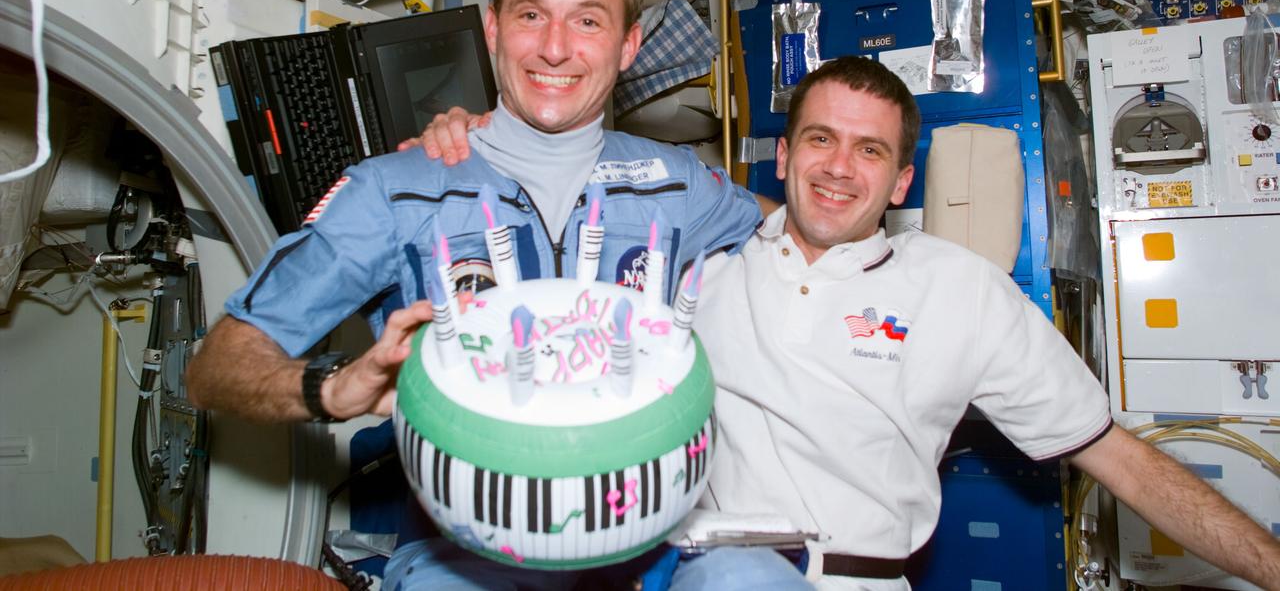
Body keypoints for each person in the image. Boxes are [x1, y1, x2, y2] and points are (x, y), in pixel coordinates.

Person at [420, 56, 1280, 590]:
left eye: (870, 151)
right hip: (697, 573)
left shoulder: (962, 291)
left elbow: (1118, 456)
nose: (839, 168)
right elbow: (542, 254)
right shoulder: (701, 265)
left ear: (902, 181)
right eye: (820, 141)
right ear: (784, 156)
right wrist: (476, 134)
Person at [184, 0, 770, 591]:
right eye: (530, 14)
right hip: (465, 558)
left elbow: (792, 234)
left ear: (628, 44)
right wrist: (331, 388)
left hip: (646, 550)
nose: (555, 47)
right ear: (493, 27)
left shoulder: (675, 184)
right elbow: (216, 366)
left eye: (587, 19)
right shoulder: (396, 189)